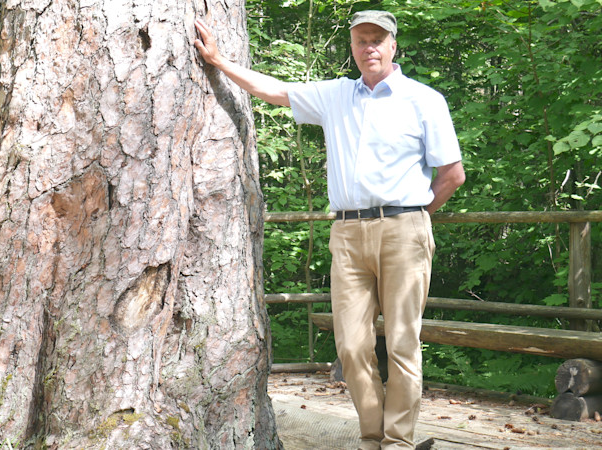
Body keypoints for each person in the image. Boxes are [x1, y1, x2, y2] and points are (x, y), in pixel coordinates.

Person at [194, 10, 465, 450]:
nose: (369, 47)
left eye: (377, 39)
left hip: (405, 229)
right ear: (353, 48)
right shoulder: (337, 96)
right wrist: (220, 62)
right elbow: (276, 92)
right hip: (348, 233)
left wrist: (416, 217)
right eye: (361, 41)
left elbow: (452, 174)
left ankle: (398, 441)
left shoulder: (424, 99)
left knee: (401, 342)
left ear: (394, 45)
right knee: (352, 346)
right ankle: (371, 437)